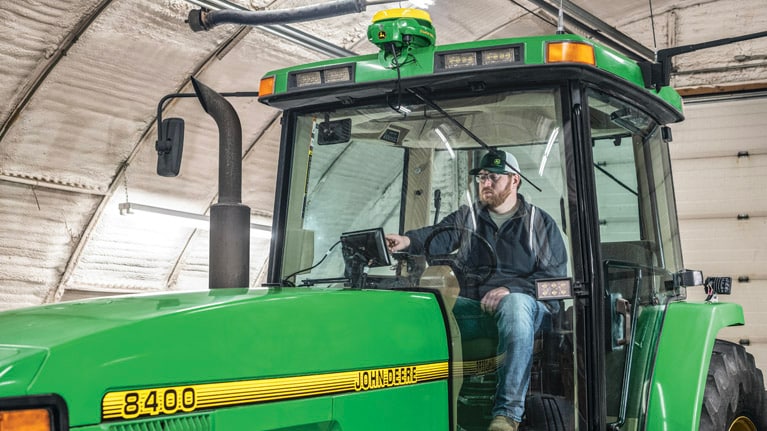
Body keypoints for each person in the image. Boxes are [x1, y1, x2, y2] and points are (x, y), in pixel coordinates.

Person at [385, 150, 568, 431]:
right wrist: (407, 240)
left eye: (493, 177)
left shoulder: (538, 223)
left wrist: (511, 289)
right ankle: (417, 405)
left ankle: (507, 415)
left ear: (514, 181)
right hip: (478, 307)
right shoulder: (469, 217)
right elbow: (440, 234)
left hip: (529, 311)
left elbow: (554, 282)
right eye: (482, 177)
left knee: (515, 304)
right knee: (424, 307)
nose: (485, 183)